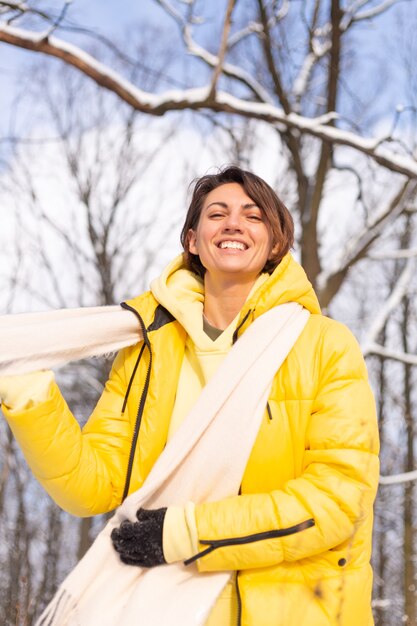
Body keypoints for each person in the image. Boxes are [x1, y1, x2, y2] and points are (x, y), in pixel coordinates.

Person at [0, 165, 379, 625]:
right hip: (167, 610)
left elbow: (335, 503)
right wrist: (27, 391)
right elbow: (94, 487)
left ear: (276, 243)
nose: (233, 223)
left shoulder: (323, 345)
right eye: (216, 213)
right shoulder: (149, 351)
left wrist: (185, 534)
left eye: (253, 215)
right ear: (193, 240)